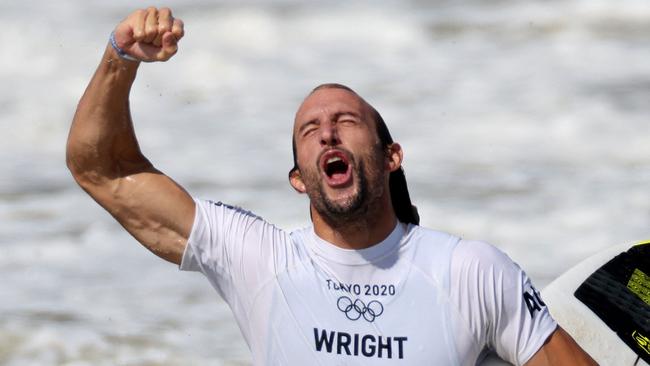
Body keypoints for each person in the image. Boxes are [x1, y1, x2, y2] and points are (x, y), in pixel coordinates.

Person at [67, 7, 597, 366]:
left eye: (346, 120)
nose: (326, 132)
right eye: (308, 130)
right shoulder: (260, 258)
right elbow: (101, 168)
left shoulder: (469, 272)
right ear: (299, 179)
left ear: (391, 157)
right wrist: (121, 56)